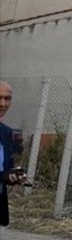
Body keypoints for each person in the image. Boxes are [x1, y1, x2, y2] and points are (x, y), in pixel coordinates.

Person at [0, 81, 22, 228]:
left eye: (7, 98)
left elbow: (7, 167)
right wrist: (4, 175)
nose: (3, 104)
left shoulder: (6, 132)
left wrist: (15, 176)